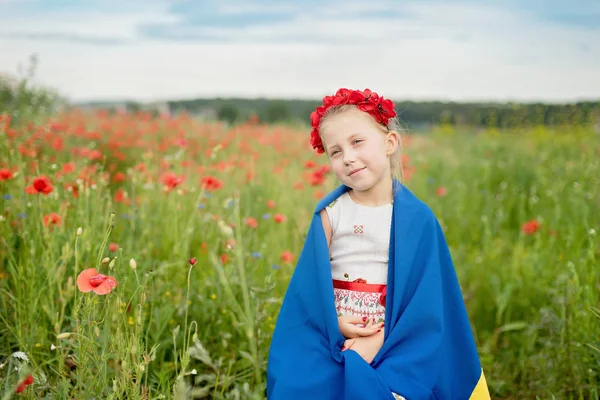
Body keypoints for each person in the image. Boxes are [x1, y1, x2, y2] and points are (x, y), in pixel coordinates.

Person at [266, 88, 490, 400]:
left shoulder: (419, 220)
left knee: (395, 389)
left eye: (357, 142)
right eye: (336, 151)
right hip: (338, 335)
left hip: (400, 337)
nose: (349, 157)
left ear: (389, 143)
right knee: (305, 384)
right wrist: (337, 324)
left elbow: (428, 299)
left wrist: (380, 339)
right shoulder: (330, 216)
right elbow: (309, 292)